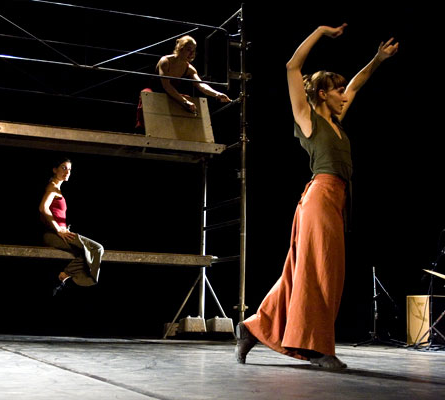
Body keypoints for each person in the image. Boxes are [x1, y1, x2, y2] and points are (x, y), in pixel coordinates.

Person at [234, 24, 398, 369]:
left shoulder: (337, 121)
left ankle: (252, 327)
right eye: (338, 90)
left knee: (303, 272)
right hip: (319, 198)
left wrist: (377, 60)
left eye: (343, 91)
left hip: (336, 200)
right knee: (322, 272)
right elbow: (293, 67)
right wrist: (320, 32)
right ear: (323, 93)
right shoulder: (307, 120)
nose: (344, 94)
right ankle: (319, 349)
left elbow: (358, 83)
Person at [135, 35, 232, 131]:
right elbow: (166, 86)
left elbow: (201, 85)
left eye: (194, 50)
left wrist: (217, 94)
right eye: (189, 50)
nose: (192, 53)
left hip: (171, 95)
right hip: (156, 91)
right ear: (180, 48)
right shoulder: (165, 61)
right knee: (147, 96)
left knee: (190, 103)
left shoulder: (189, 69)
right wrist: (185, 101)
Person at [39, 158, 104, 296]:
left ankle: (62, 277)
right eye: (63, 168)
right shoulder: (52, 187)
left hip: (59, 232)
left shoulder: (58, 189)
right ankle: (65, 276)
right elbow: (43, 208)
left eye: (69, 169)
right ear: (54, 170)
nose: (67, 172)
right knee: (96, 248)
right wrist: (58, 229)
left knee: (86, 252)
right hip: (53, 234)